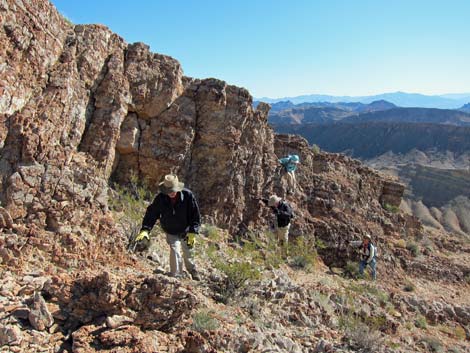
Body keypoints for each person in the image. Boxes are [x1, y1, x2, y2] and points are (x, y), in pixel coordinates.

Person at [134, 174, 201, 280]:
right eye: (169, 191)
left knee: (188, 252)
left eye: (173, 190)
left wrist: (193, 231)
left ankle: (192, 270)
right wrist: (145, 230)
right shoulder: (160, 199)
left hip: (186, 230)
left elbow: (195, 215)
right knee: (175, 250)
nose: (171, 193)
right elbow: (151, 214)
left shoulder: (188, 196)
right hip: (171, 230)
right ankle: (176, 276)